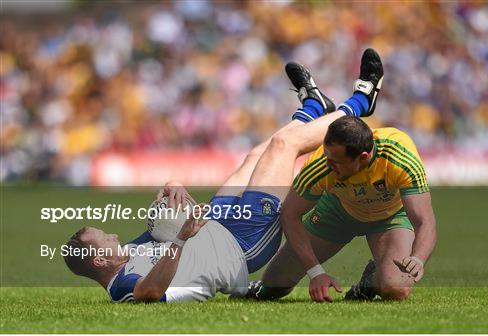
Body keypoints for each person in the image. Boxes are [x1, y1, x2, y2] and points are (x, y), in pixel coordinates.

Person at [63, 49, 384, 303]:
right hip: (241, 245)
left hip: (217, 223)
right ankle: (359, 102)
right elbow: (149, 292)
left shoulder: (128, 255)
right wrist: (179, 238)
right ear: (100, 262)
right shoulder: (122, 287)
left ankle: (314, 107)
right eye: (105, 239)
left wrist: (170, 188)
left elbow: (162, 226)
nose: (114, 236)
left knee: (256, 155)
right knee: (284, 146)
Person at [248, 54, 437, 303]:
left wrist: (418, 259)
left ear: (363, 157)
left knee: (396, 288)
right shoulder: (321, 164)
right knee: (274, 286)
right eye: (327, 156)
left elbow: (424, 220)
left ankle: (370, 282)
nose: (328, 164)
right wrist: (316, 273)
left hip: (389, 217)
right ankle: (349, 103)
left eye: (337, 162)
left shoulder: (399, 155)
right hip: (337, 212)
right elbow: (290, 214)